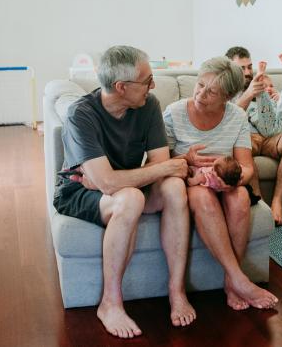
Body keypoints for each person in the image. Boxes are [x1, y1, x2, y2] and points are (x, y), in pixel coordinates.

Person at [53, 45, 196, 339]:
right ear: (121, 87)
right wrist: (165, 168)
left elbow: (157, 165)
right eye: (147, 80)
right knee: (131, 197)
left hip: (124, 186)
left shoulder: (149, 105)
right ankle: (110, 303)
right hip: (78, 192)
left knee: (173, 187)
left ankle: (176, 291)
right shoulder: (81, 114)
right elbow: (108, 183)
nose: (153, 85)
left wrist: (121, 179)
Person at [163, 56, 279, 311]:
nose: (201, 94)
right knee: (203, 197)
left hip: (226, 178)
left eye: (211, 91)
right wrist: (187, 160)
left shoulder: (236, 116)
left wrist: (232, 182)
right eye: (200, 84)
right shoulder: (174, 113)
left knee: (240, 198)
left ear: (226, 97)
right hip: (192, 182)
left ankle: (230, 282)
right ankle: (239, 278)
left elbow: (247, 166)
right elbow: (161, 162)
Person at [225, 47, 282, 226]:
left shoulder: (264, 82)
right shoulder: (225, 90)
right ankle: (261, 206)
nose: (248, 73)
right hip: (247, 139)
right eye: (242, 69)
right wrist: (249, 94)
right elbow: (228, 120)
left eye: (249, 67)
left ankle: (277, 201)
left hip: (271, 136)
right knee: (242, 148)